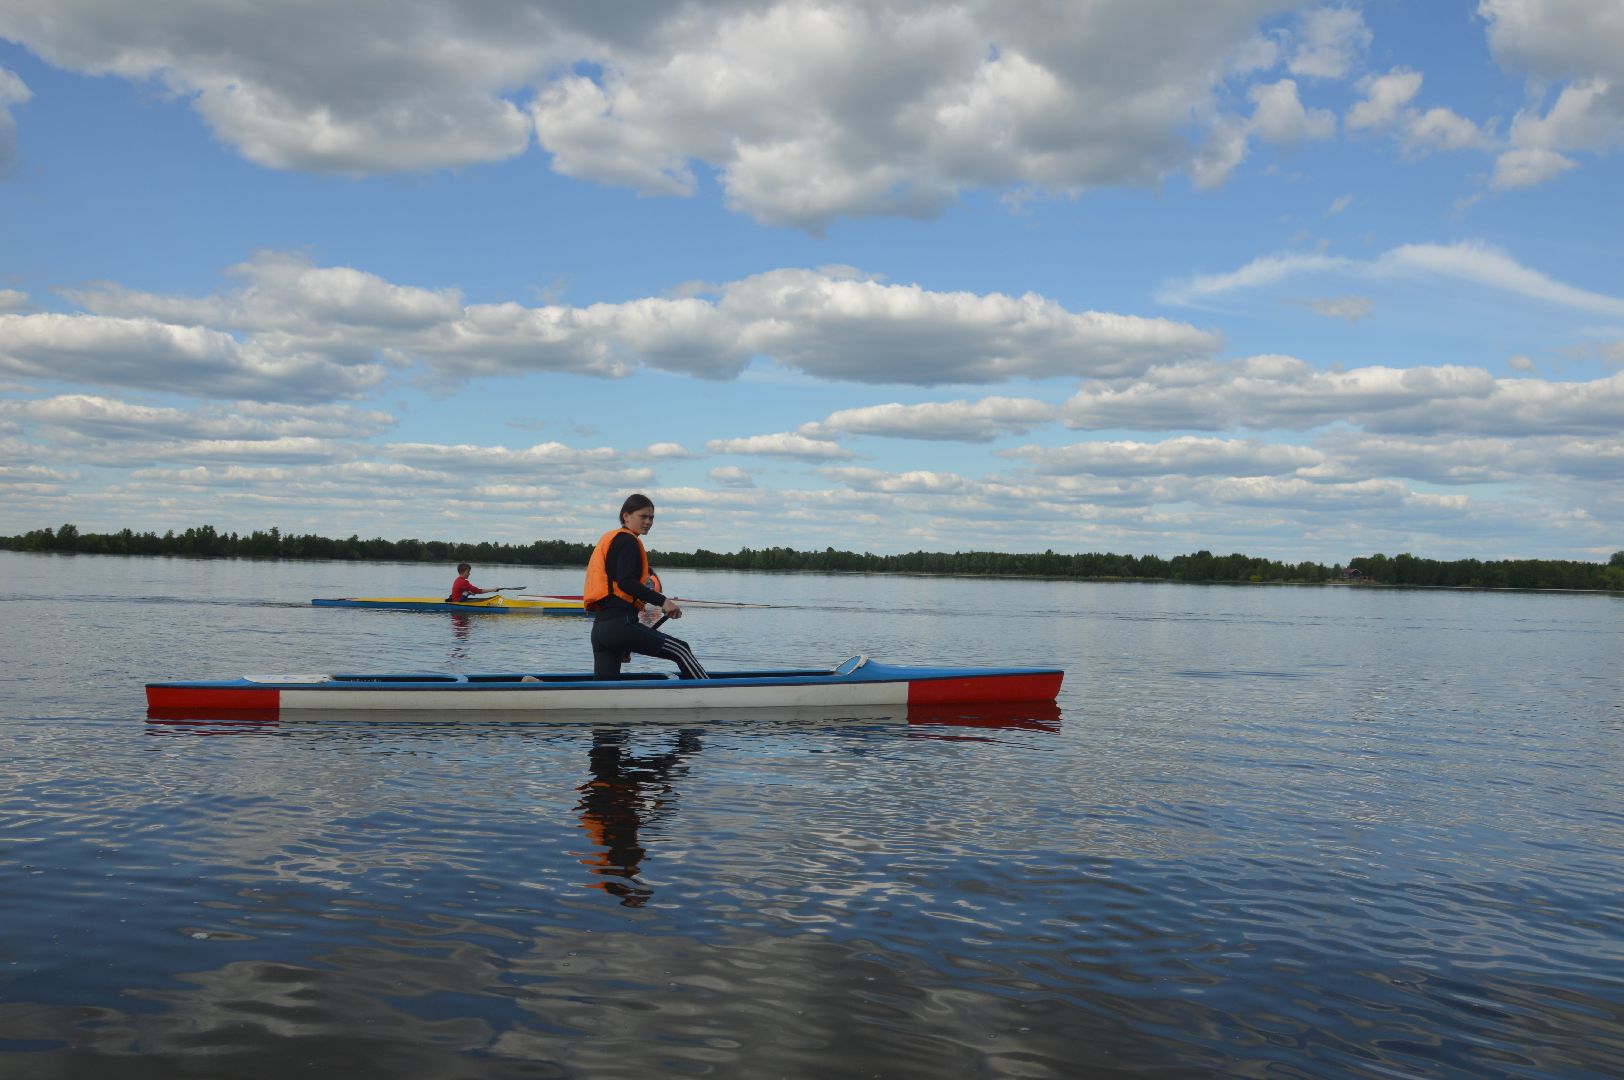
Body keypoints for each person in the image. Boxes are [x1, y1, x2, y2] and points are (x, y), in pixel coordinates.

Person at [583, 494, 709, 680]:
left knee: (605, 689)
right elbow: (626, 582)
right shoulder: (628, 541)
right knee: (681, 650)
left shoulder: (613, 540)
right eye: (643, 516)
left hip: (601, 630)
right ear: (626, 516)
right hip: (619, 625)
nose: (649, 521)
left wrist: (624, 642)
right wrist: (663, 601)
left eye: (652, 518)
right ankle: (708, 696)